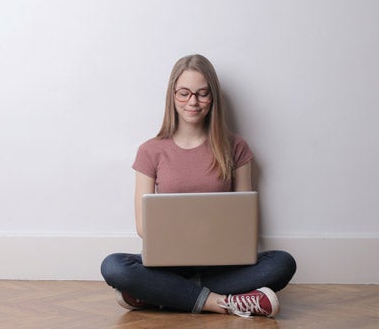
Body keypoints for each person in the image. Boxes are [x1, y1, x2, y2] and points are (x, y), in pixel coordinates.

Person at [100, 54, 296, 318]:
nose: (193, 102)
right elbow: (144, 228)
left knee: (282, 263)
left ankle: (158, 295)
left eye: (202, 94)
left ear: (213, 98)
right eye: (184, 93)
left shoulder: (236, 147)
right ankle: (223, 302)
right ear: (172, 95)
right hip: (168, 265)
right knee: (114, 267)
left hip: (223, 265)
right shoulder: (150, 151)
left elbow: (245, 221)